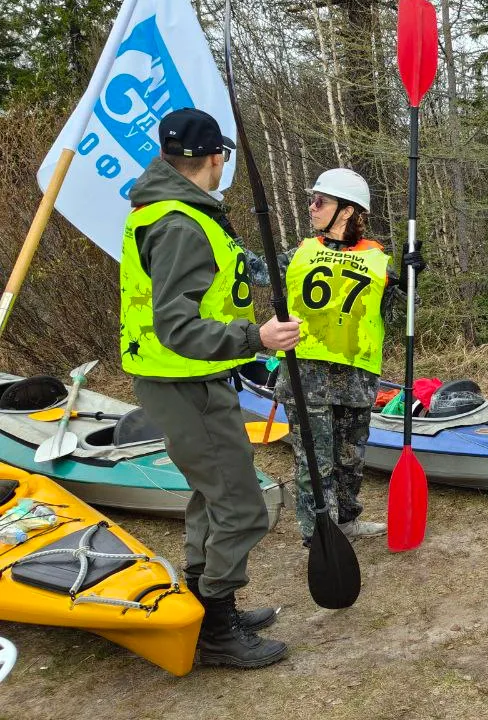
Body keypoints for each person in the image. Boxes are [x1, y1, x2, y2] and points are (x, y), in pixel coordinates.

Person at [119, 107, 300, 667]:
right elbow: (179, 327)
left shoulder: (174, 209)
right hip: (183, 382)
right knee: (242, 506)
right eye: (224, 155)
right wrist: (257, 337)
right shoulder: (179, 223)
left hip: (192, 378)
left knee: (211, 496)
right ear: (212, 158)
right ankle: (218, 630)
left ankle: (208, 607)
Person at [247, 168, 424, 547]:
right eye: (313, 199)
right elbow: (253, 269)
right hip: (305, 376)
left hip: (357, 378)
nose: (312, 207)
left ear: (346, 212)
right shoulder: (301, 253)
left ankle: (346, 521)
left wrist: (409, 283)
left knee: (349, 459)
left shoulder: (378, 261)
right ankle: (319, 537)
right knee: (315, 462)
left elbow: (400, 317)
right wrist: (220, 237)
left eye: (320, 201)